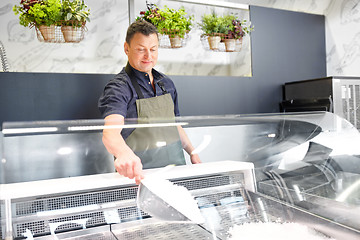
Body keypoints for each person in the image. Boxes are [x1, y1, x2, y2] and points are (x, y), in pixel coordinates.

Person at [98, 20, 201, 184]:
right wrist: (124, 154)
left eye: (153, 49)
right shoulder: (118, 87)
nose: (148, 56)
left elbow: (174, 124)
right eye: (141, 50)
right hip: (140, 180)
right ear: (126, 48)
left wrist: (192, 151)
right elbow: (110, 133)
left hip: (177, 175)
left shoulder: (166, 83)